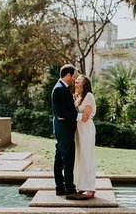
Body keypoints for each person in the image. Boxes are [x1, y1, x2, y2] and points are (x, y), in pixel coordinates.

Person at [51, 64, 90, 200]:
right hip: (64, 130)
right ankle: (70, 191)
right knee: (68, 160)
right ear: (68, 75)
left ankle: (60, 188)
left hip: (63, 129)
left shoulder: (62, 88)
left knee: (59, 160)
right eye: (73, 76)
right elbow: (60, 113)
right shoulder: (59, 89)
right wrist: (79, 116)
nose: (74, 79)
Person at [73, 75, 97, 198]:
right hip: (78, 129)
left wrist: (71, 116)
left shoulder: (89, 96)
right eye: (75, 79)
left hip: (86, 129)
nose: (76, 80)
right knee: (79, 157)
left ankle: (90, 188)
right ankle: (81, 186)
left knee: (87, 157)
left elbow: (85, 116)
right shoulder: (77, 96)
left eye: (79, 79)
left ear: (85, 83)